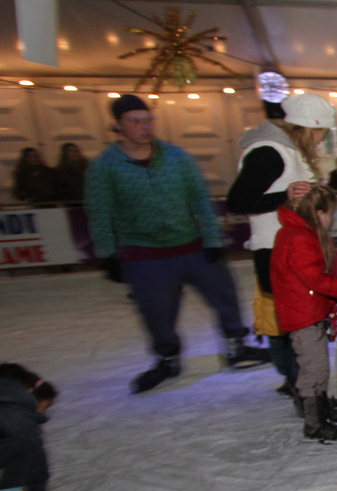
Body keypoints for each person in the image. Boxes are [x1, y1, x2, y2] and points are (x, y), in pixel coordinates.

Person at [85, 94, 270, 394]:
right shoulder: (105, 166)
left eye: (148, 120)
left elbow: (199, 199)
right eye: (135, 121)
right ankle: (167, 358)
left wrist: (211, 239)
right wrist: (108, 254)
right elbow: (100, 212)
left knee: (224, 294)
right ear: (118, 125)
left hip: (191, 245)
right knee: (156, 310)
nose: (144, 127)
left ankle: (236, 346)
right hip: (145, 254)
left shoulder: (176, 157)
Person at [227, 95, 332, 412]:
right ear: (309, 128)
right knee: (295, 326)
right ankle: (305, 394)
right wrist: (283, 196)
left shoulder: (289, 151)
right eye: (322, 132)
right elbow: (237, 201)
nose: (323, 139)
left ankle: (307, 390)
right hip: (276, 252)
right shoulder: (269, 152)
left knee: (301, 324)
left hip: (294, 249)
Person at [270, 185, 337, 442]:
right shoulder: (299, 238)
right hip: (303, 316)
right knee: (314, 370)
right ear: (319, 213)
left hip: (306, 311)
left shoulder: (297, 233)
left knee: (318, 367)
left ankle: (322, 411)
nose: (332, 219)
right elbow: (315, 278)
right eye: (331, 213)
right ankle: (314, 423)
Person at [0, 362, 57, 491]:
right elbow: (36, 455)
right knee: (23, 447)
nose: (42, 417)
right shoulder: (15, 412)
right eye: (44, 408)